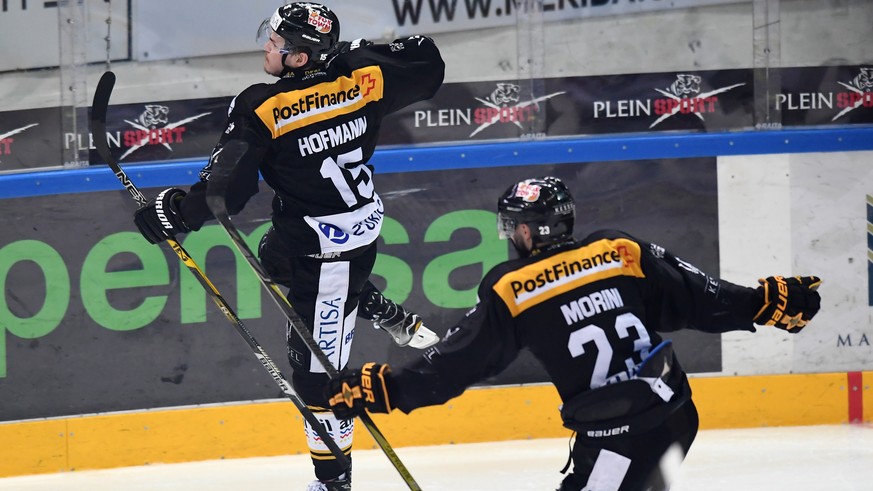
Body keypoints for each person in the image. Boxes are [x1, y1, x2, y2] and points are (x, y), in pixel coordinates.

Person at [325, 176, 823, 491]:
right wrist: (763, 302)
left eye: (511, 228)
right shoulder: (619, 251)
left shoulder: (515, 286)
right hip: (677, 416)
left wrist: (387, 387)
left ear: (525, 232)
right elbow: (698, 296)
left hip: (621, 438)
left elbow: (458, 361)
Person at [132, 3, 444, 490]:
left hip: (329, 255)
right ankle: (377, 304)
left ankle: (333, 480)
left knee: (318, 381)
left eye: (277, 43)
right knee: (274, 256)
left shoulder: (262, 105)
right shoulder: (363, 78)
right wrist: (356, 53)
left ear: (299, 58)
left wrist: (174, 212)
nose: (267, 47)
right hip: (345, 228)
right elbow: (427, 61)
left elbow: (225, 193)